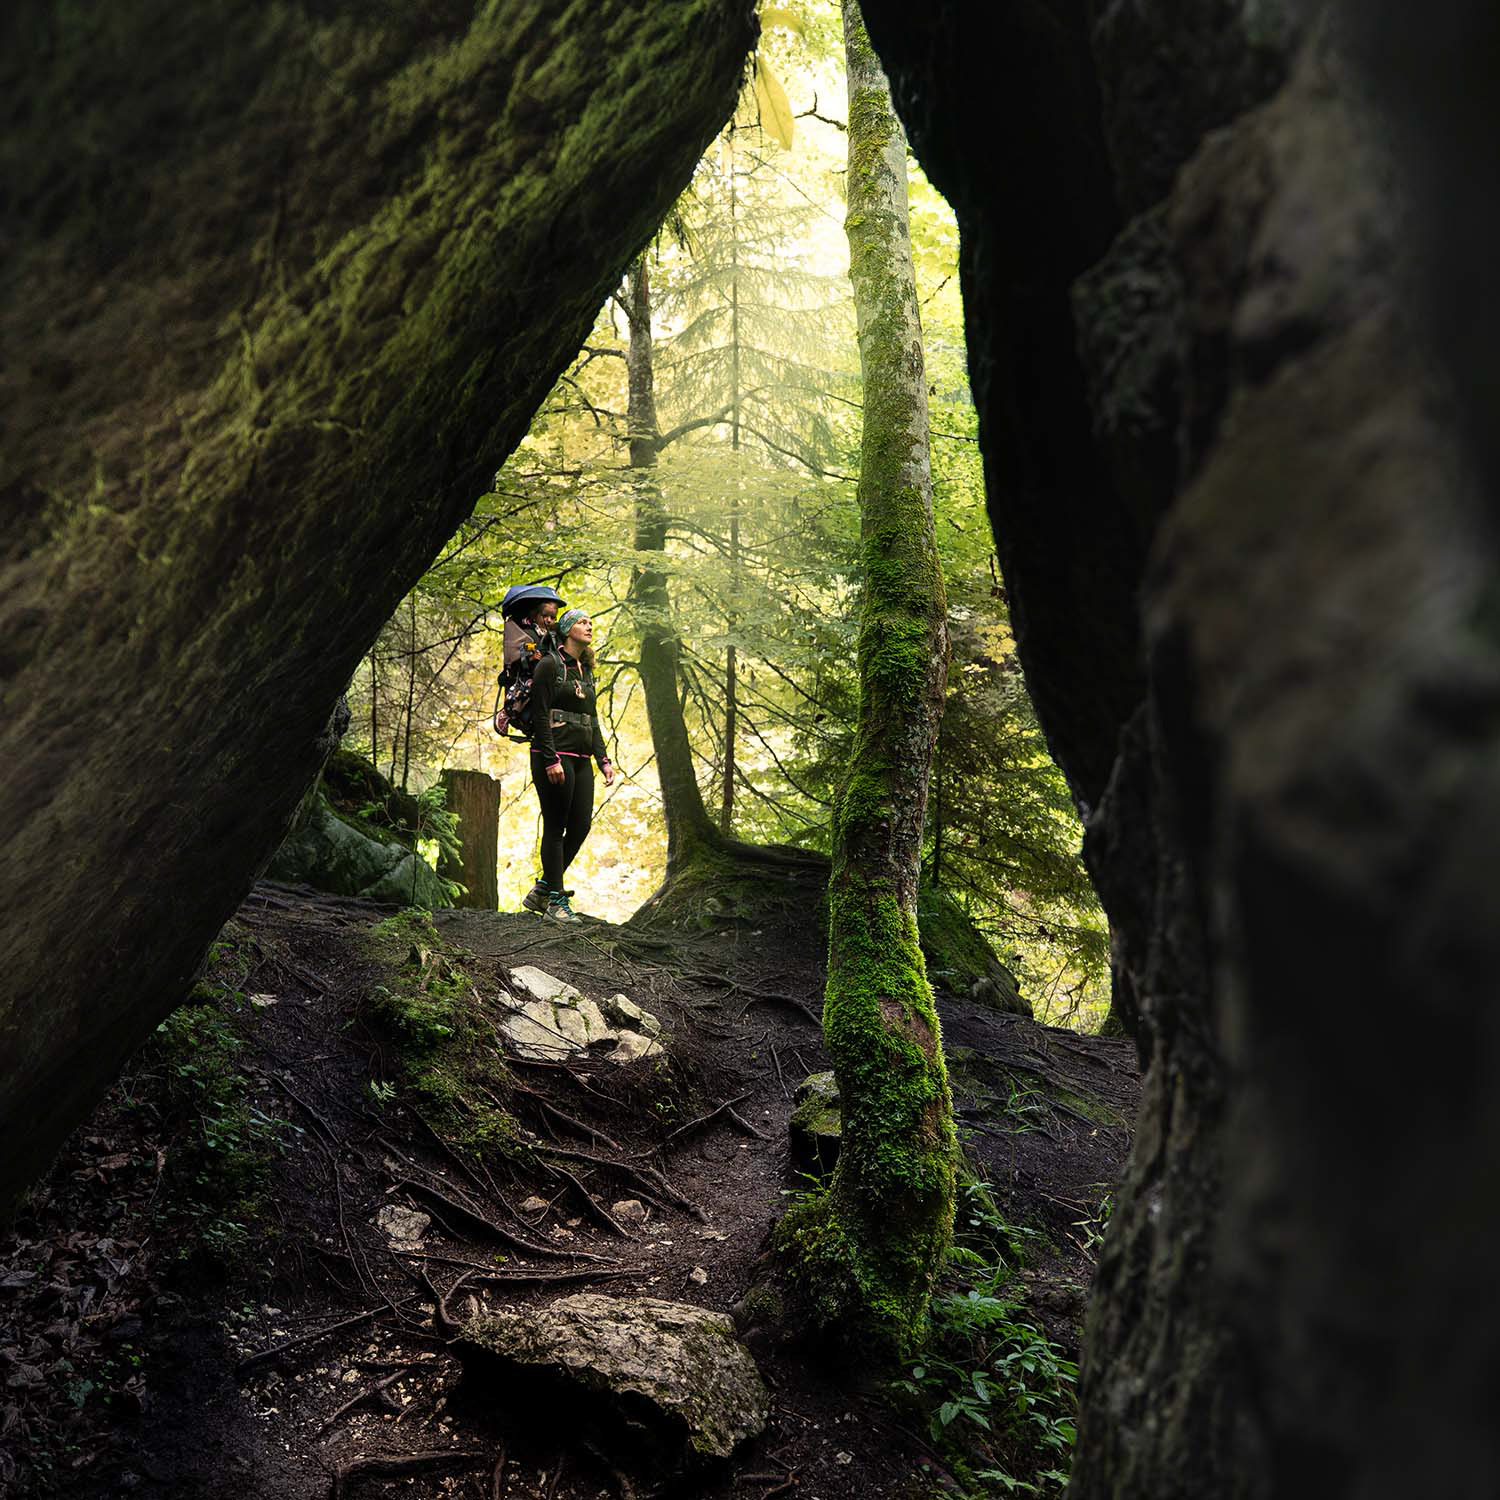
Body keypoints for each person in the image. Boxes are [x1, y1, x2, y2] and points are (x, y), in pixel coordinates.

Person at [522, 607, 614, 922]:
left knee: (581, 826)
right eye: (583, 622)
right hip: (554, 758)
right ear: (568, 629)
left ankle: (545, 887)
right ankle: (556, 903)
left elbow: (593, 719)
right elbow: (539, 714)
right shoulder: (550, 666)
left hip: (582, 758)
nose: (590, 626)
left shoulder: (585, 671)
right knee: (555, 825)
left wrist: (604, 759)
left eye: (591, 621)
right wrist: (550, 759)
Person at [493, 585, 564, 737]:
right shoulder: (528, 632)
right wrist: (530, 657)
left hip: (548, 675)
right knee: (529, 687)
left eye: (553, 617)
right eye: (546, 616)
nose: (550, 620)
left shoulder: (553, 636)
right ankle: (510, 711)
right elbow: (520, 652)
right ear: (535, 615)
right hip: (526, 676)